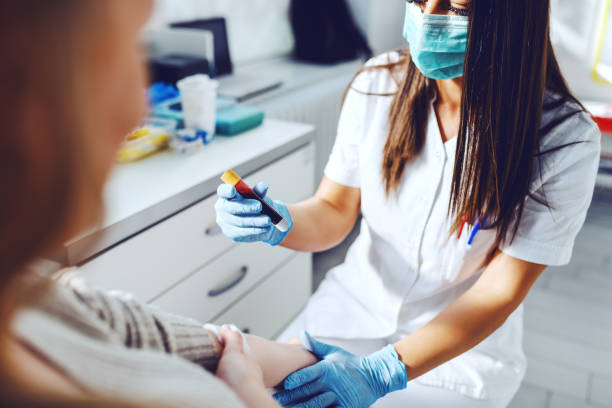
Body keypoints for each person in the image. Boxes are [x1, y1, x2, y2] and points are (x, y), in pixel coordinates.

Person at [214, 0, 602, 407]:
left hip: (456, 353)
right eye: (418, 0)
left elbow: (498, 292)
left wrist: (384, 371)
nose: (429, 18)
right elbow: (333, 209)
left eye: (456, 7)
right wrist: (280, 221)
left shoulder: (564, 139)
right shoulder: (377, 84)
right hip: (350, 311)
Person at [0, 1, 318, 407]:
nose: (139, 109)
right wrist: (251, 395)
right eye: (127, 47)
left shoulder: (39, 300)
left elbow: (170, 338)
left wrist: (305, 357)